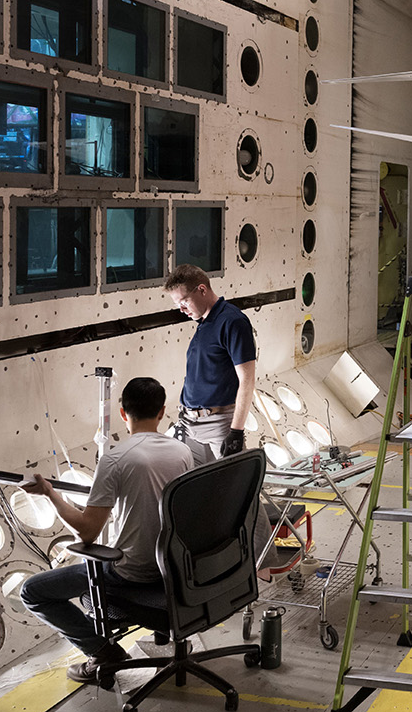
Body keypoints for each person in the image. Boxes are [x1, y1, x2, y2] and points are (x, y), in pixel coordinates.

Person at [18, 377, 194, 683]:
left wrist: (50, 493)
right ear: (162, 412)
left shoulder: (115, 458)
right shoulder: (182, 452)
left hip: (132, 573)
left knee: (33, 592)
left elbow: (87, 534)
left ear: (124, 413)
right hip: (175, 568)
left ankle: (102, 651)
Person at [163, 264, 257, 465]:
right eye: (177, 304)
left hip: (218, 426)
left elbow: (247, 381)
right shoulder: (204, 323)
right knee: (195, 489)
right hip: (189, 424)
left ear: (202, 290)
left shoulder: (232, 322)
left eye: (184, 302)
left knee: (234, 489)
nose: (181, 309)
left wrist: (236, 432)